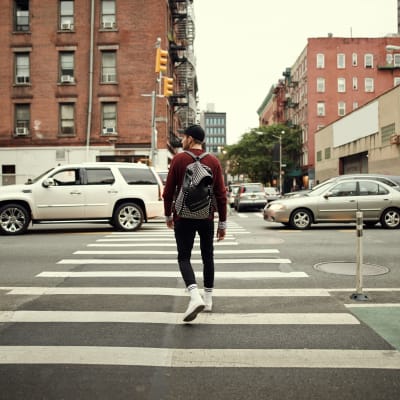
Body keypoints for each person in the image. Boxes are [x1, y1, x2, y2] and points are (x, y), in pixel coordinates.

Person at [163, 124, 227, 322]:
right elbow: (221, 195)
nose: (182, 140)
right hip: (206, 216)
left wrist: (168, 216)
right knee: (208, 256)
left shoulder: (179, 159)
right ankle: (207, 300)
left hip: (183, 216)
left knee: (184, 257)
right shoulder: (213, 161)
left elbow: (167, 192)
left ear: (190, 139)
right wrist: (222, 223)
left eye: (184, 137)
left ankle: (194, 295)